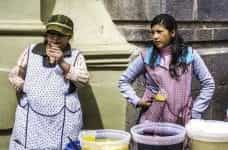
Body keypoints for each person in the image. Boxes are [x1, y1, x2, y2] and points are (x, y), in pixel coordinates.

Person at [8, 14, 89, 149]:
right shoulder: (32, 51)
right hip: (32, 118)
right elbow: (14, 74)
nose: (55, 38)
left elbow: (83, 81)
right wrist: (23, 86)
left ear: (69, 36)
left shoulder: (75, 56)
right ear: (46, 34)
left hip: (63, 120)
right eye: (51, 34)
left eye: (60, 35)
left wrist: (62, 62)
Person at [118, 14, 215, 126]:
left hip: (181, 121)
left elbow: (208, 84)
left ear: (172, 33)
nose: (155, 36)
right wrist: (137, 101)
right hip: (151, 120)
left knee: (177, 143)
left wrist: (196, 111)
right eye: (152, 32)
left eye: (159, 32)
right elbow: (123, 81)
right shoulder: (146, 56)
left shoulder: (189, 55)